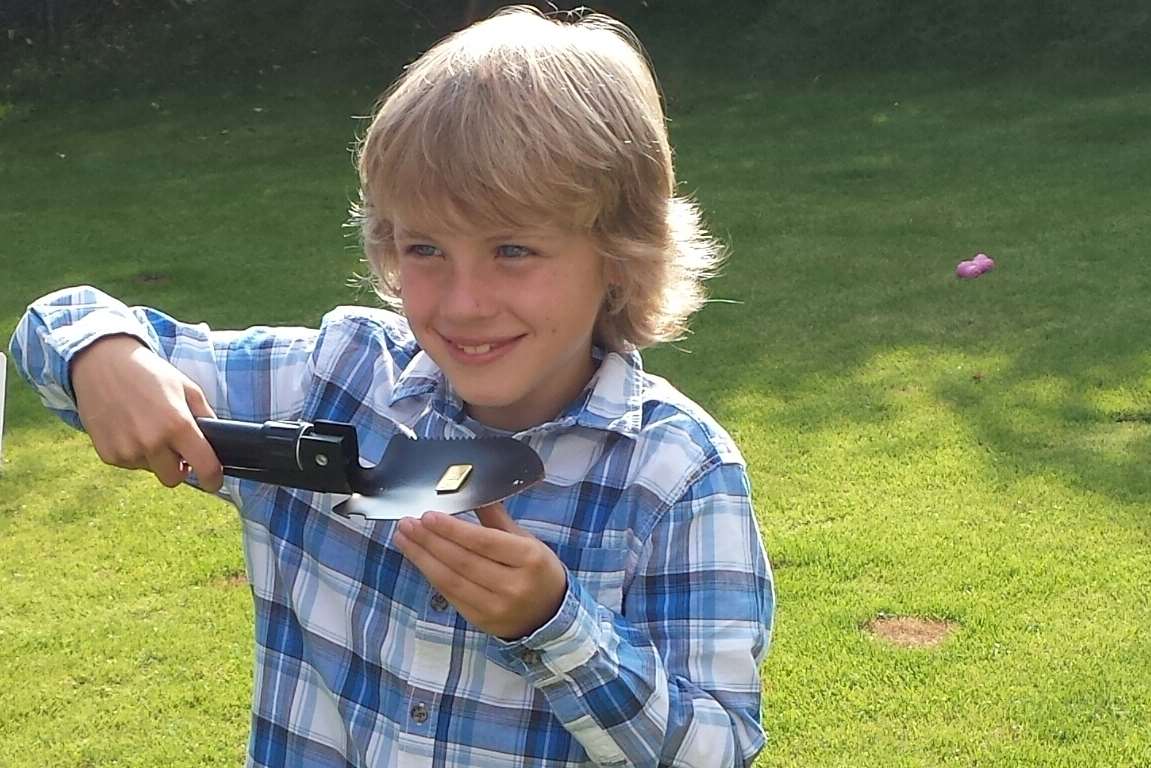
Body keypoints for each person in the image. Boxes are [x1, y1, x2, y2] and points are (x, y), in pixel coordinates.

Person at [9, 5, 774, 766]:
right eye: (425, 248)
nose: (462, 301)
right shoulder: (332, 382)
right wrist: (103, 355)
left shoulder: (677, 473)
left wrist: (555, 626)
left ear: (618, 254)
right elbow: (59, 322)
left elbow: (717, 749)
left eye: (512, 249)